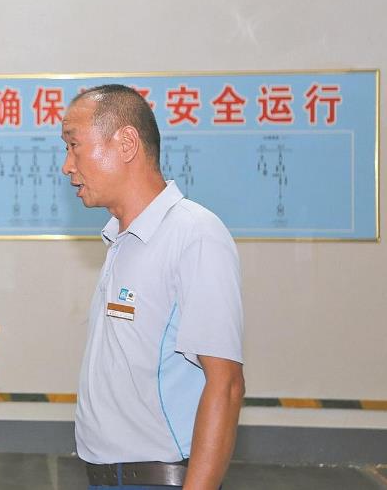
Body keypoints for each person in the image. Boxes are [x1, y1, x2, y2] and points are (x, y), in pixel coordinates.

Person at [61, 85, 245, 490]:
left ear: (126, 143)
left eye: (74, 146)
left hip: (158, 478)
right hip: (107, 477)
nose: (67, 166)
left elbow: (226, 385)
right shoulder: (122, 240)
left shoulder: (194, 234)